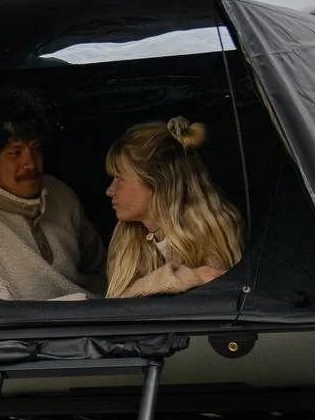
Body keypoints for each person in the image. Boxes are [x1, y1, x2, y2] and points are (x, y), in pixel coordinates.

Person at [0, 90, 105, 301]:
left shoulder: (60, 194)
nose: (31, 164)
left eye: (36, 149)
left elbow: (101, 270)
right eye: (15, 153)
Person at [104, 118, 245, 298]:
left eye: (119, 179)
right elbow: (118, 303)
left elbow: (216, 291)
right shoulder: (127, 240)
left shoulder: (212, 235)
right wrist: (190, 277)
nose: (110, 190)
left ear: (157, 182)